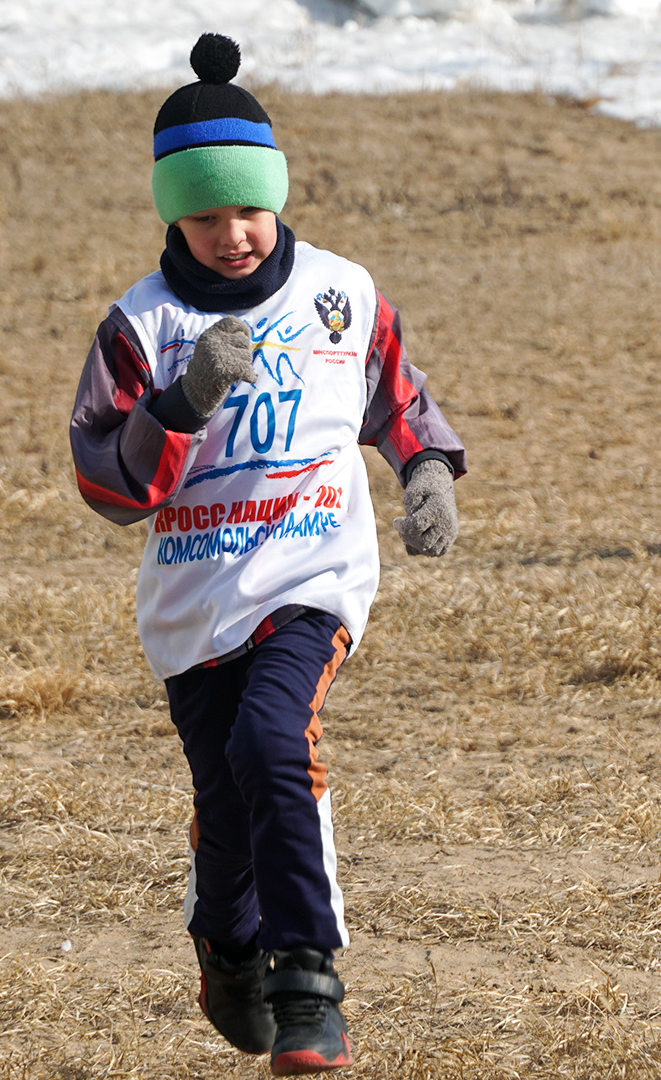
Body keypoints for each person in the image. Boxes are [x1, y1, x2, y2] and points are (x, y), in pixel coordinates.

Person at [67, 33, 467, 1076]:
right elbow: (108, 486)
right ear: (171, 212)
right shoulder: (141, 328)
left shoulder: (340, 293)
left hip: (311, 573)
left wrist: (425, 472)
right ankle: (228, 946)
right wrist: (181, 401)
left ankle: (309, 989)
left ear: (278, 195)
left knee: (274, 746)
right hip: (197, 600)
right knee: (229, 803)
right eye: (206, 215)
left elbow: (397, 397)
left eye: (250, 208)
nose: (234, 234)